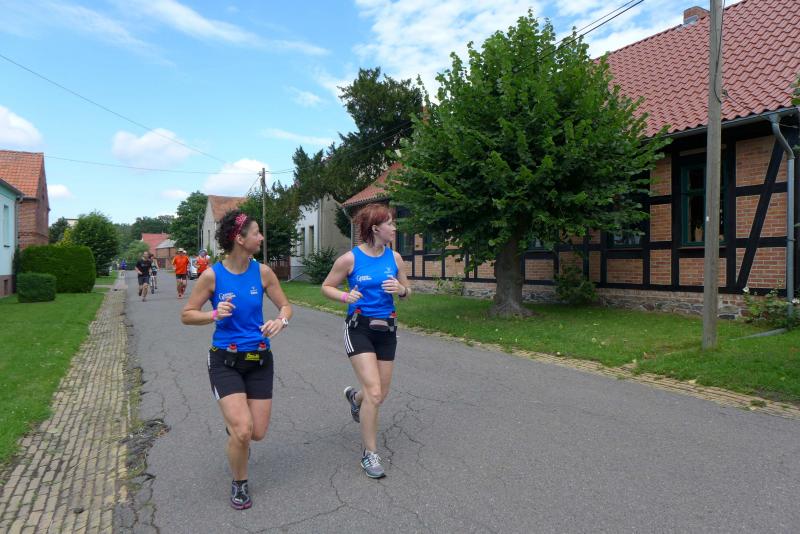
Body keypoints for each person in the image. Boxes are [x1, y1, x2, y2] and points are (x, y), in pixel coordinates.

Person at [181, 210, 292, 510]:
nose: (261, 237)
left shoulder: (263, 272)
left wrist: (281, 321)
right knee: (244, 430)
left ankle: (236, 432)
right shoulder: (212, 275)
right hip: (225, 360)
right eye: (256, 233)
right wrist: (213, 314)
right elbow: (187, 315)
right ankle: (240, 482)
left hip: (260, 359)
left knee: (257, 433)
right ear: (240, 239)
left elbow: (285, 306)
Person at [321, 203, 411, 479]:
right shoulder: (350, 259)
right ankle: (370, 453)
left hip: (387, 330)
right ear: (375, 228)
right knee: (374, 392)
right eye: (390, 223)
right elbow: (326, 287)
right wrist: (345, 296)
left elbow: (409, 291)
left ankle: (354, 398)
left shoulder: (395, 258)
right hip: (359, 328)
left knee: (379, 394)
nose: (394, 228)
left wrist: (401, 289)